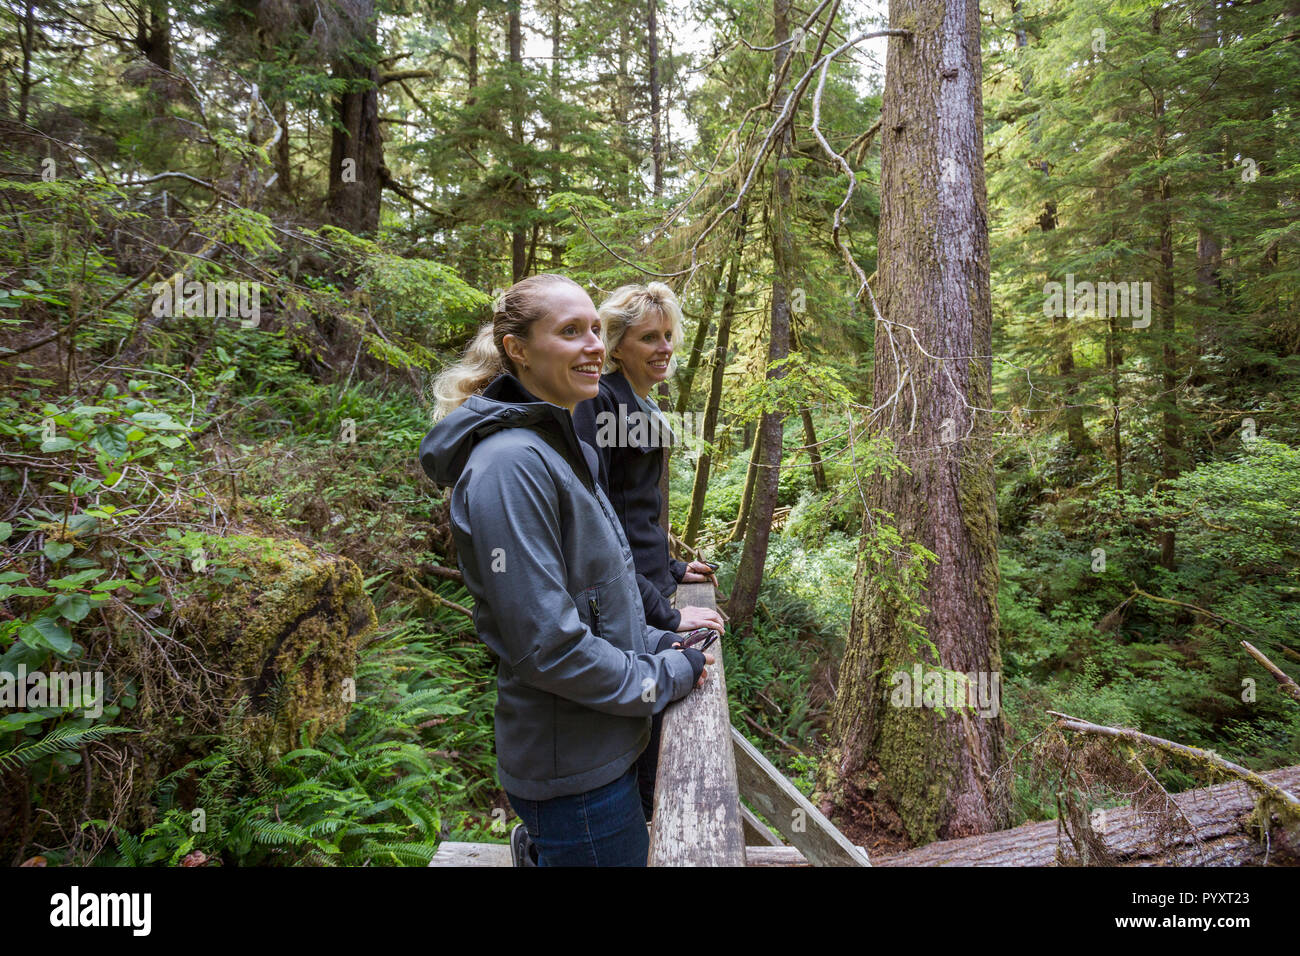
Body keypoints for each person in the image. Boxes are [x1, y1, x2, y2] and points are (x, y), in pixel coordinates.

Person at [418, 273, 713, 867]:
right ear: (518, 350)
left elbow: (595, 590)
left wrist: (659, 636)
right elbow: (547, 645)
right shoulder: (510, 466)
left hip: (601, 741)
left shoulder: (552, 443)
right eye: (570, 331)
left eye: (596, 330)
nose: (594, 346)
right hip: (574, 769)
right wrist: (660, 678)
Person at [572, 281, 725, 822]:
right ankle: (635, 839)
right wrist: (667, 611)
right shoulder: (600, 403)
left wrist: (675, 568)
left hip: (650, 587)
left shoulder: (641, 402)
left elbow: (639, 512)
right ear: (616, 345)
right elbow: (600, 526)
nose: (664, 348)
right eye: (647, 338)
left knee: (655, 729)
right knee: (644, 732)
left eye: (668, 336)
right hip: (625, 605)